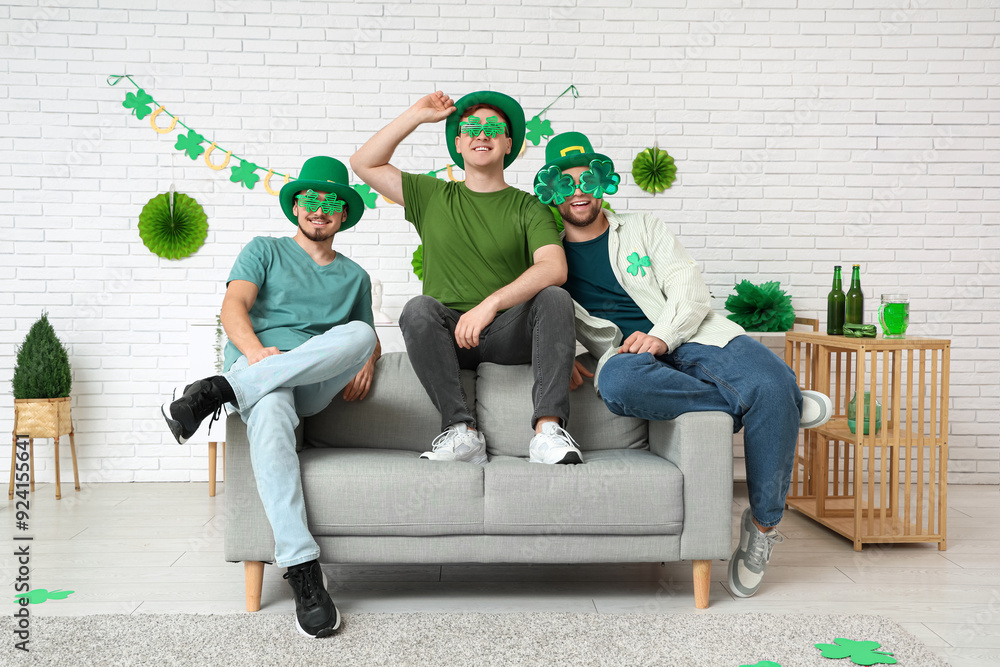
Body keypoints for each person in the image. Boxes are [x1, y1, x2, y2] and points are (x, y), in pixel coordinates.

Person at [537, 132, 834, 597]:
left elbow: (689, 288)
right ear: (551, 190)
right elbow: (543, 316)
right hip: (629, 359)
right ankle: (779, 403)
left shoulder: (643, 227)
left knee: (770, 380)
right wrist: (567, 356)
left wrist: (662, 335)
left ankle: (762, 525)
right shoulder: (547, 257)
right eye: (565, 182)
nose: (578, 191)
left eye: (587, 179)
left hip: (696, 335)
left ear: (602, 183)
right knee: (618, 384)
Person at [161, 156, 380, 638]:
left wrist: (367, 359)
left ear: (344, 213)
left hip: (309, 384)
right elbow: (232, 307)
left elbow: (366, 339)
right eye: (310, 199)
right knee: (272, 401)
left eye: (331, 201)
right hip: (260, 369)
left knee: (363, 334)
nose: (319, 209)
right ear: (296, 207)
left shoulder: (355, 277)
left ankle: (218, 393)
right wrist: (257, 355)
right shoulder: (263, 249)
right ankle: (302, 569)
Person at [351, 90, 581, 465]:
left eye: (493, 128)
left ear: (509, 143)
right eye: (471, 128)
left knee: (555, 296)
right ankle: (461, 432)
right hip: (448, 336)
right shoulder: (431, 195)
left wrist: (490, 305)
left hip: (508, 333)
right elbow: (363, 163)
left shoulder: (529, 206)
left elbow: (554, 267)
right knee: (418, 308)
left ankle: (548, 433)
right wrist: (416, 115)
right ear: (458, 143)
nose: (481, 134)